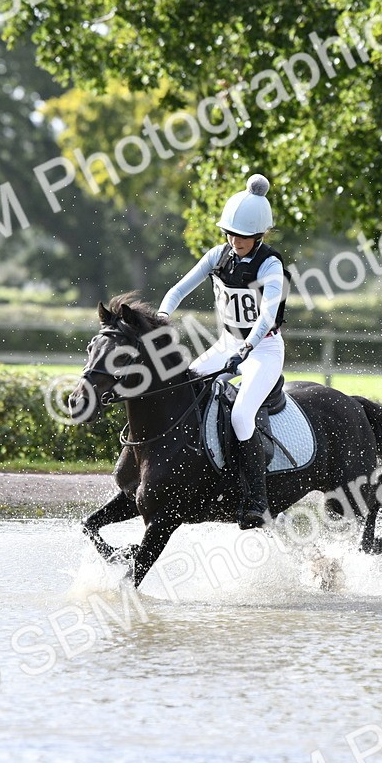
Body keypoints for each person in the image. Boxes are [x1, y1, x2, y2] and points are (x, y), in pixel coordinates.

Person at [158, 173, 290, 530]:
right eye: (230, 234)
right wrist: (160, 319)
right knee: (186, 393)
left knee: (241, 417)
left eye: (243, 236)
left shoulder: (271, 265)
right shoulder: (217, 256)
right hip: (228, 343)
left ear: (259, 235)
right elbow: (177, 290)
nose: (236, 241)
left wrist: (247, 347)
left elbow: (267, 313)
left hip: (263, 349)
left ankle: (257, 500)